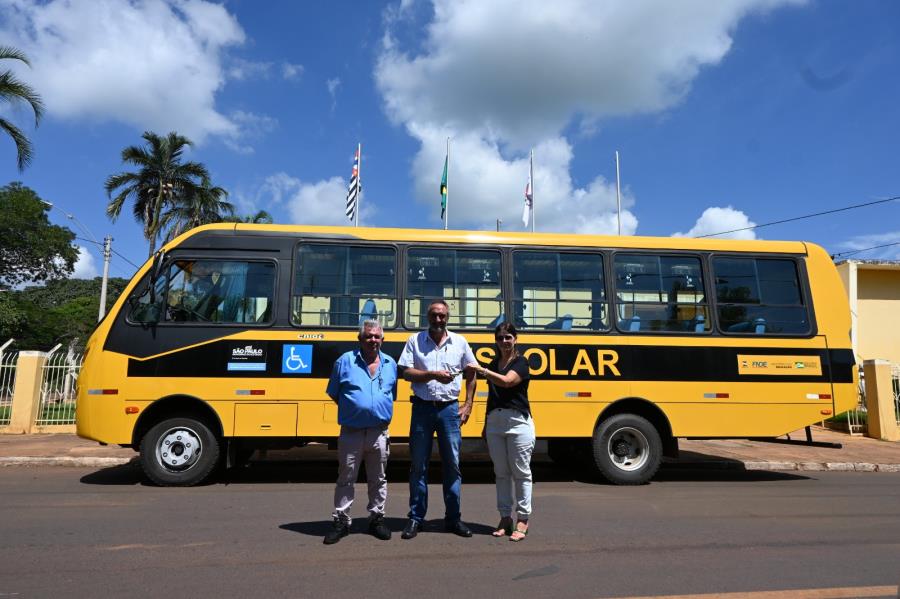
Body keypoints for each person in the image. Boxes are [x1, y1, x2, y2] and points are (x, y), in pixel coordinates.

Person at [398, 299, 477, 539]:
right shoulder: (415, 341)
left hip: (449, 411)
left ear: (447, 318)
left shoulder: (460, 342)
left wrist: (469, 403)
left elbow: (472, 371)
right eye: (434, 315)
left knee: (452, 465)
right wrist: (431, 375)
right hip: (422, 409)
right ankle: (416, 518)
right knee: (418, 466)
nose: (438, 320)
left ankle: (453, 519)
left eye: (442, 315)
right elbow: (406, 372)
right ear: (428, 317)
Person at [323, 319, 397, 545]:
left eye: (376, 336)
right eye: (368, 336)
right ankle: (342, 521)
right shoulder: (344, 362)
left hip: (379, 432)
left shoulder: (390, 363)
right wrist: (355, 409)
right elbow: (334, 393)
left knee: (378, 479)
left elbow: (390, 395)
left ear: (382, 339)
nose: (373, 340)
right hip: (352, 432)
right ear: (360, 339)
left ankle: (376, 518)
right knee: (346, 477)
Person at [467, 322, 534, 542]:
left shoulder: (521, 363)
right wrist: (486, 425)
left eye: (508, 337)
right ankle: (505, 518)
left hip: (518, 422)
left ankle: (523, 519)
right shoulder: (494, 362)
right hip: (495, 422)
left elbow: (507, 382)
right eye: (500, 338)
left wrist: (483, 371)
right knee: (501, 473)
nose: (504, 342)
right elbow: (493, 396)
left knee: (521, 472)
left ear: (516, 339)